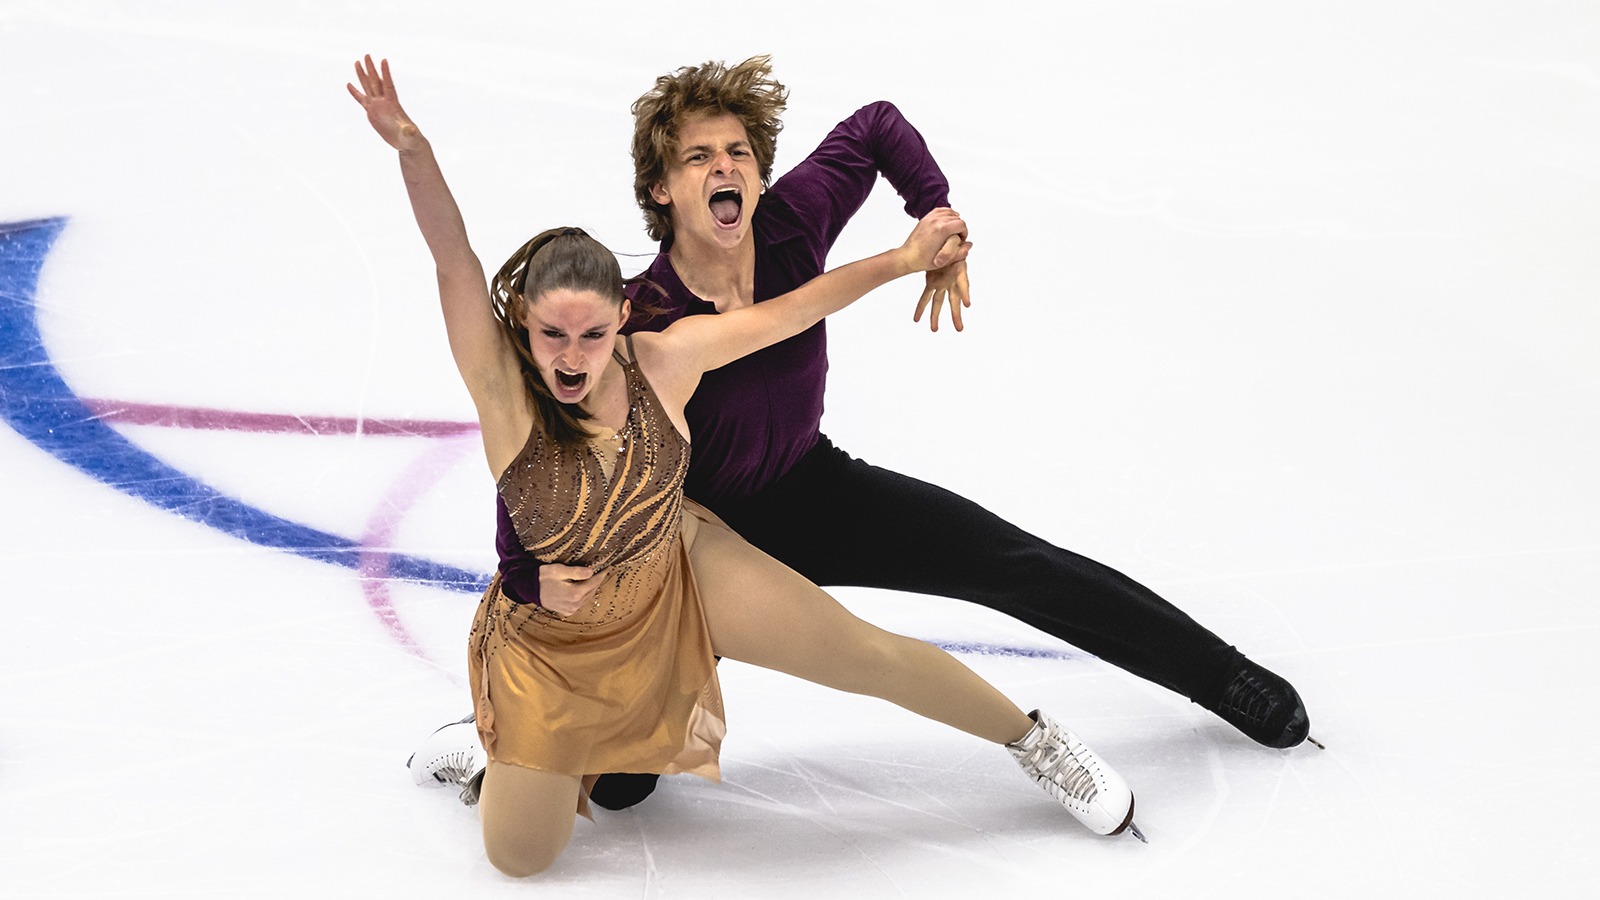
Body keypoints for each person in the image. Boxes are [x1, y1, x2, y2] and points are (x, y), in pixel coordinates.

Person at [350, 56, 1144, 878]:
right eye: (553, 336)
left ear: (625, 314)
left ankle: (1037, 742)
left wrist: (905, 261)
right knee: (524, 858)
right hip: (556, 636)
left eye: (593, 336)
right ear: (523, 326)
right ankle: (493, 750)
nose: (574, 358)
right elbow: (454, 261)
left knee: (863, 653)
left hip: (677, 565)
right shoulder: (503, 391)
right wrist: (412, 147)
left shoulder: (664, 358)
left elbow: (797, 308)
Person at [521, 56, 1307, 811]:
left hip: (814, 488)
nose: (724, 166)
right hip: (708, 542)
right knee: (626, 784)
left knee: (1012, 562)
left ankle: (1224, 676)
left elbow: (875, 127)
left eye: (738, 151)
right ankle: (507, 733)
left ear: (759, 170)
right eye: (698, 157)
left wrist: (939, 219)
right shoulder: (644, 313)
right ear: (660, 188)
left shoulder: (792, 219)